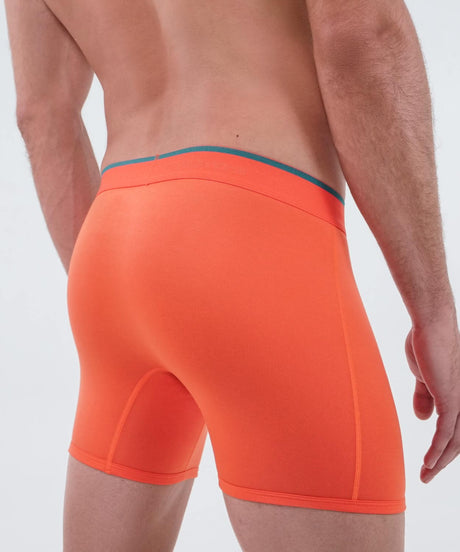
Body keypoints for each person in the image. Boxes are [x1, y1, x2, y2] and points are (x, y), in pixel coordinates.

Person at [5, 0, 460, 550]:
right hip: (253, 226)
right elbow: (363, 32)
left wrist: (133, 292)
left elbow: (42, 112)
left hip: (113, 239)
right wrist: (433, 309)